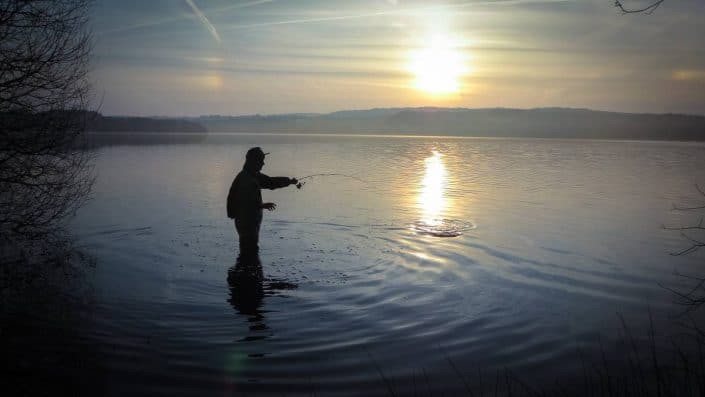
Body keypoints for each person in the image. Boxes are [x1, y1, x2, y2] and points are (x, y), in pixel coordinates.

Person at [227, 147, 298, 257]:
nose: (263, 164)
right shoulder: (246, 179)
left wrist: (289, 181)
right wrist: (262, 205)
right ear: (253, 162)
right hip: (246, 223)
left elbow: (270, 182)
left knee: (249, 251)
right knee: (249, 252)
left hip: (249, 222)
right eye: (261, 160)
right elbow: (244, 203)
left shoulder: (252, 175)